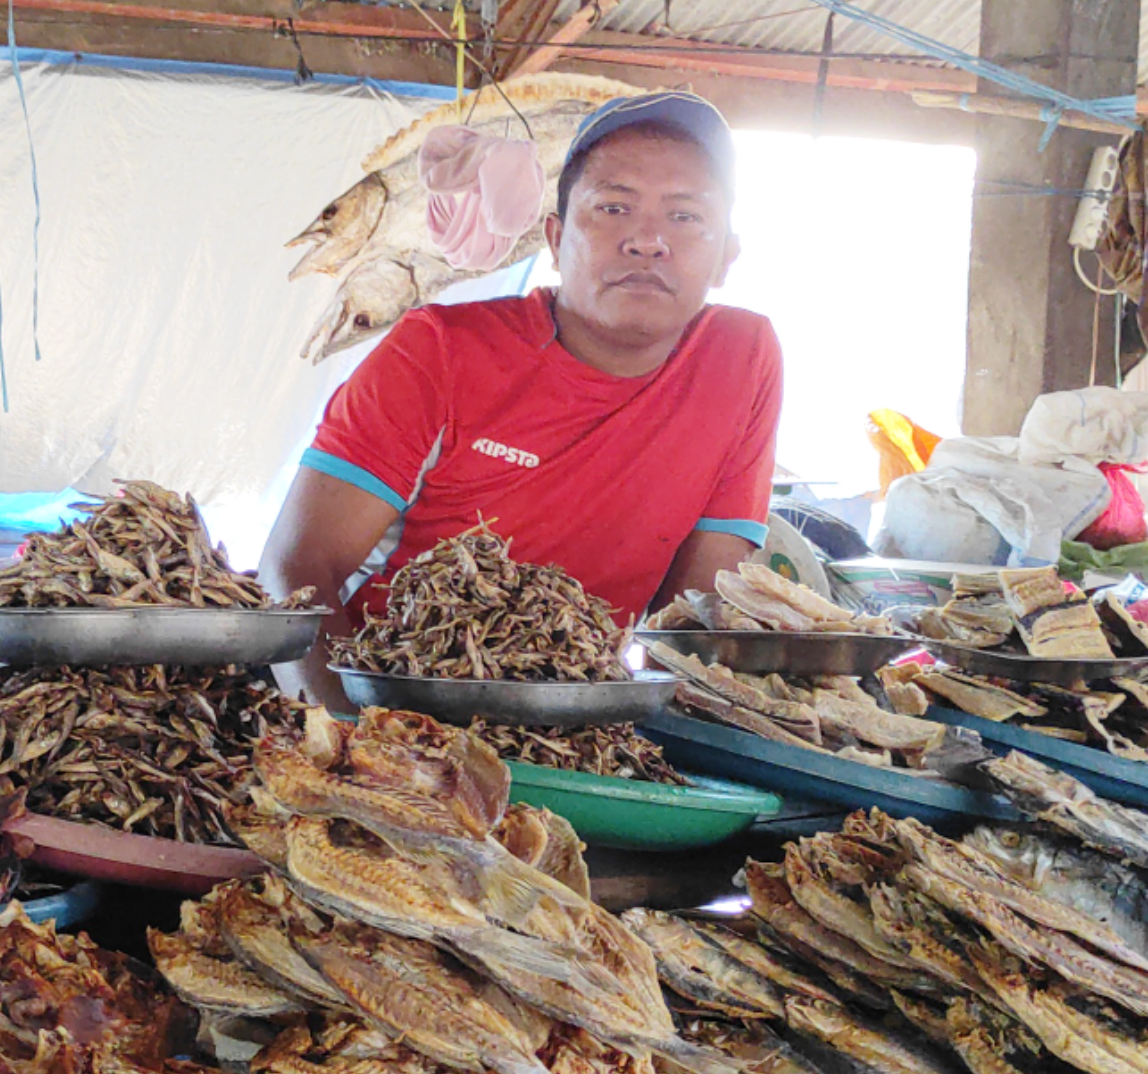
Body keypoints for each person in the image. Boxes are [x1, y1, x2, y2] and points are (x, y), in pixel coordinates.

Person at [263, 89, 782, 706]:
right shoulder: (437, 353)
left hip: (574, 720)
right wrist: (358, 748)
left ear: (726, 255)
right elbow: (294, 573)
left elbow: (693, 616)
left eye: (686, 217)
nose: (648, 241)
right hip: (388, 702)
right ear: (555, 240)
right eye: (614, 207)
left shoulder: (742, 358)